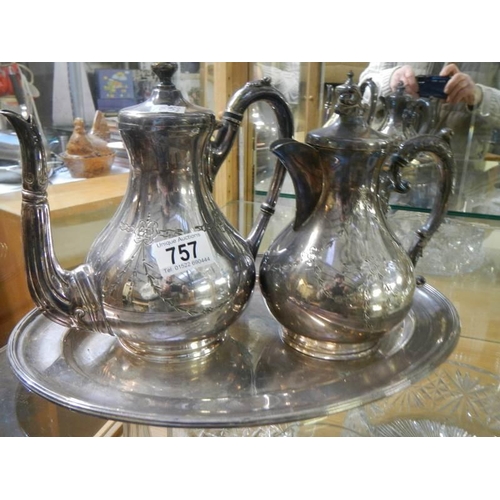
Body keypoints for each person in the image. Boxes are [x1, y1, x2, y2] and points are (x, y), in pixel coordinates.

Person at [359, 62, 500, 213]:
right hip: (384, 183)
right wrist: (389, 80)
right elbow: (363, 91)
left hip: (458, 193)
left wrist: (481, 96)